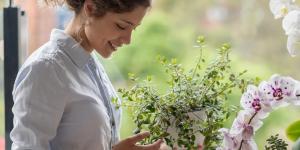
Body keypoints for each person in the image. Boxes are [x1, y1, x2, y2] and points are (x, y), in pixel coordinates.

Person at [10, 0, 204, 150]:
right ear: (91, 8)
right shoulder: (47, 69)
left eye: (133, 29)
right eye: (121, 26)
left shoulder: (91, 67)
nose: (127, 40)